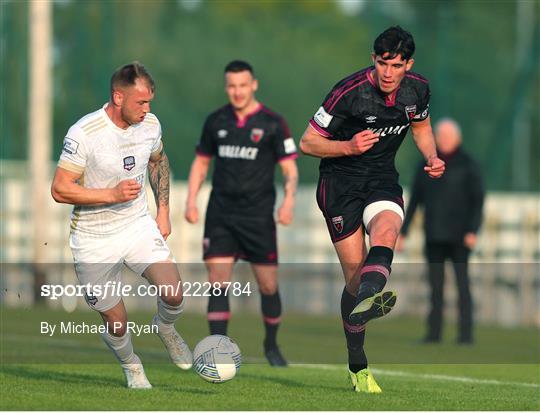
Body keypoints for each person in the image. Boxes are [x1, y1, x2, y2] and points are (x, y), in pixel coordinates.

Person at [299, 26, 445, 393]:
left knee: (388, 230)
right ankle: (357, 363)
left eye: (396, 65)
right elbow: (308, 142)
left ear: (408, 65)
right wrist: (347, 146)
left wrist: (431, 155)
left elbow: (422, 127)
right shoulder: (347, 92)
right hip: (340, 186)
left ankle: (370, 295)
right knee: (354, 278)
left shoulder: (418, 89)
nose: (388, 73)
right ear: (373, 60)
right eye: (382, 63)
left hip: (381, 180)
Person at [51, 62, 192, 389]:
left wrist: (164, 210)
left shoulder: (151, 125)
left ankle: (166, 328)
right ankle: (132, 367)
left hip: (136, 225)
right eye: (140, 103)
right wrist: (111, 194)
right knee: (117, 323)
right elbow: (59, 188)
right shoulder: (85, 133)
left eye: (149, 102)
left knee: (173, 293)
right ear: (118, 97)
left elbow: (159, 160)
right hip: (93, 238)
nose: (147, 110)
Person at [185, 60, 298, 367]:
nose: (237, 92)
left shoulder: (273, 123)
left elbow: (289, 169)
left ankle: (271, 345)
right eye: (231, 86)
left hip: (258, 216)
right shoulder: (215, 121)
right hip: (221, 213)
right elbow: (201, 162)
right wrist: (191, 200)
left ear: (254, 85)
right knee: (218, 280)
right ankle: (216, 349)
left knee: (268, 285)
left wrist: (288, 202)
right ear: (226, 87)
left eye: (242, 85)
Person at [399, 118, 484, 344]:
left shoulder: (468, 164)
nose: (444, 140)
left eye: (449, 136)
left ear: (458, 139)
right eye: (441, 136)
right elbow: (415, 200)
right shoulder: (425, 164)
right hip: (434, 234)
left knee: (462, 286)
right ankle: (433, 333)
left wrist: (473, 230)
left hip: (460, 236)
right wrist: (403, 232)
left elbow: (478, 201)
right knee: (435, 287)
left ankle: (466, 334)